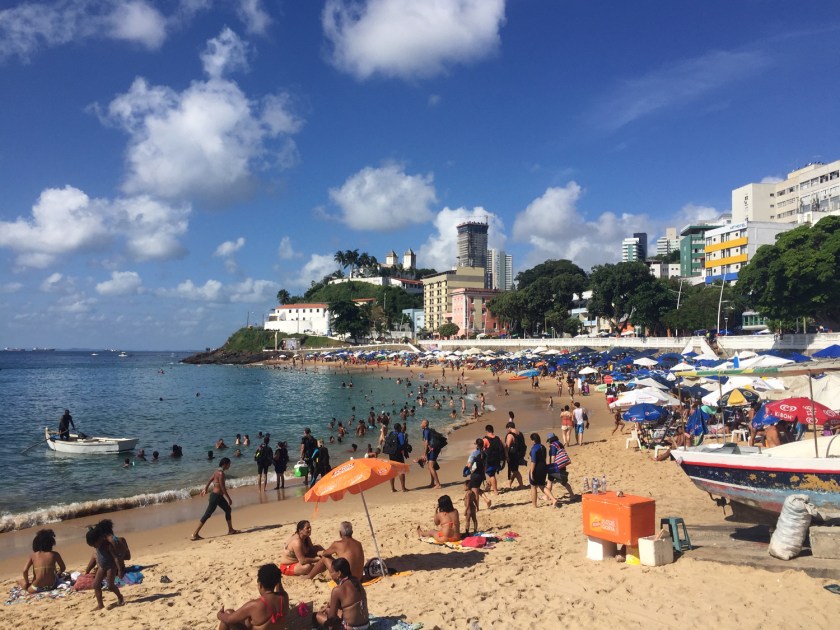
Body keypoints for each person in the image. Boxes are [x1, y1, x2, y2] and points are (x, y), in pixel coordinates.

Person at [217, 563, 289, 630]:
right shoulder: (284, 598)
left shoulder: (255, 605)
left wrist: (219, 614)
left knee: (228, 613)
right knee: (248, 620)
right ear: (277, 582)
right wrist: (277, 578)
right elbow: (280, 590)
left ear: (260, 584)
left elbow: (229, 619)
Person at [314, 557, 370, 630]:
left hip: (351, 628)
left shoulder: (337, 590)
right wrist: (328, 608)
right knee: (328, 610)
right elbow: (349, 603)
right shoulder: (356, 581)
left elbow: (331, 619)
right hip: (366, 626)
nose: (331, 575)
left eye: (332, 572)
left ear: (339, 573)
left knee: (316, 616)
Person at [192, 457, 239, 541]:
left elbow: (210, 480)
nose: (229, 466)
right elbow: (222, 487)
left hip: (218, 496)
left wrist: (205, 489)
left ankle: (231, 530)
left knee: (228, 509)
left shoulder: (216, 471)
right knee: (207, 514)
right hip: (215, 497)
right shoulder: (221, 473)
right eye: (229, 464)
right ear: (225, 464)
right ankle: (195, 534)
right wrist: (229, 498)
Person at [85, 523, 124, 610]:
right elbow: (93, 532)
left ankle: (120, 597)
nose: (94, 547)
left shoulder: (108, 545)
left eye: (95, 544)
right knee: (95, 585)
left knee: (110, 586)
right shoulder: (97, 544)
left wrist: (120, 570)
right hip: (102, 567)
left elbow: (116, 558)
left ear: (100, 538)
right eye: (93, 546)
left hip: (111, 567)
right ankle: (100, 604)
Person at [20, 529, 65, 593]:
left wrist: (27, 583)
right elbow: (63, 568)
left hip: (36, 588)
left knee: (21, 581)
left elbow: (25, 570)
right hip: (52, 586)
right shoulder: (55, 554)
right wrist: (59, 573)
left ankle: (26, 585)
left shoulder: (33, 555)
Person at [545, 433, 575, 503]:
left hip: (555, 467)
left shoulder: (553, 446)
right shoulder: (559, 444)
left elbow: (553, 456)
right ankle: (572, 495)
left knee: (550, 481)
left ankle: (547, 496)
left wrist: (552, 466)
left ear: (550, 440)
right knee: (563, 481)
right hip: (562, 465)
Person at [528, 433, 555, 508]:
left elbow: (533, 461)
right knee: (542, 486)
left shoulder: (534, 448)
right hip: (544, 467)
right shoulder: (543, 447)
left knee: (533, 486)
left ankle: (534, 505)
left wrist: (531, 473)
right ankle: (553, 499)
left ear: (533, 440)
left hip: (537, 468)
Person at [466, 438, 491, 508]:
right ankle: (486, 499)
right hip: (481, 474)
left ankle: (477, 508)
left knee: (475, 492)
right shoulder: (485, 454)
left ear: (476, 445)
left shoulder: (474, 453)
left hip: (475, 474)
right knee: (477, 489)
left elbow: (469, 465)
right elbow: (485, 466)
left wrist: (467, 466)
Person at [386, 423, 409, 492]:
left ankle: (392, 488)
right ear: (399, 428)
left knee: (392, 470)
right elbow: (402, 444)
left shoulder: (390, 433)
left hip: (391, 454)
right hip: (398, 454)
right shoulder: (400, 434)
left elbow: (387, 441)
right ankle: (403, 488)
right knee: (401, 470)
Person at [482, 425, 505, 496]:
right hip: (497, 460)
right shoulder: (498, 438)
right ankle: (488, 487)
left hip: (490, 460)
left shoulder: (485, 440)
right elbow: (504, 447)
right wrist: (506, 457)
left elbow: (481, 449)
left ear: (486, 431)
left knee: (491, 475)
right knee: (491, 473)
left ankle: (495, 490)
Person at [504, 420, 526, 490]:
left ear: (509, 427)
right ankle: (509, 484)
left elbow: (507, 447)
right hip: (520, 454)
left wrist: (506, 456)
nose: (507, 431)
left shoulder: (510, 435)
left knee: (515, 471)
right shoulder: (520, 433)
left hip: (512, 455)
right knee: (514, 470)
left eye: (507, 429)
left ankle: (521, 485)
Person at [420, 419, 442, 489]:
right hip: (433, 449)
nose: (420, 424)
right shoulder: (428, 430)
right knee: (430, 466)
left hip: (434, 449)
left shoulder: (426, 431)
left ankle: (438, 484)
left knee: (431, 466)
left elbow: (426, 442)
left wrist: (424, 454)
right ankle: (432, 483)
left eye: (422, 423)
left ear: (425, 424)